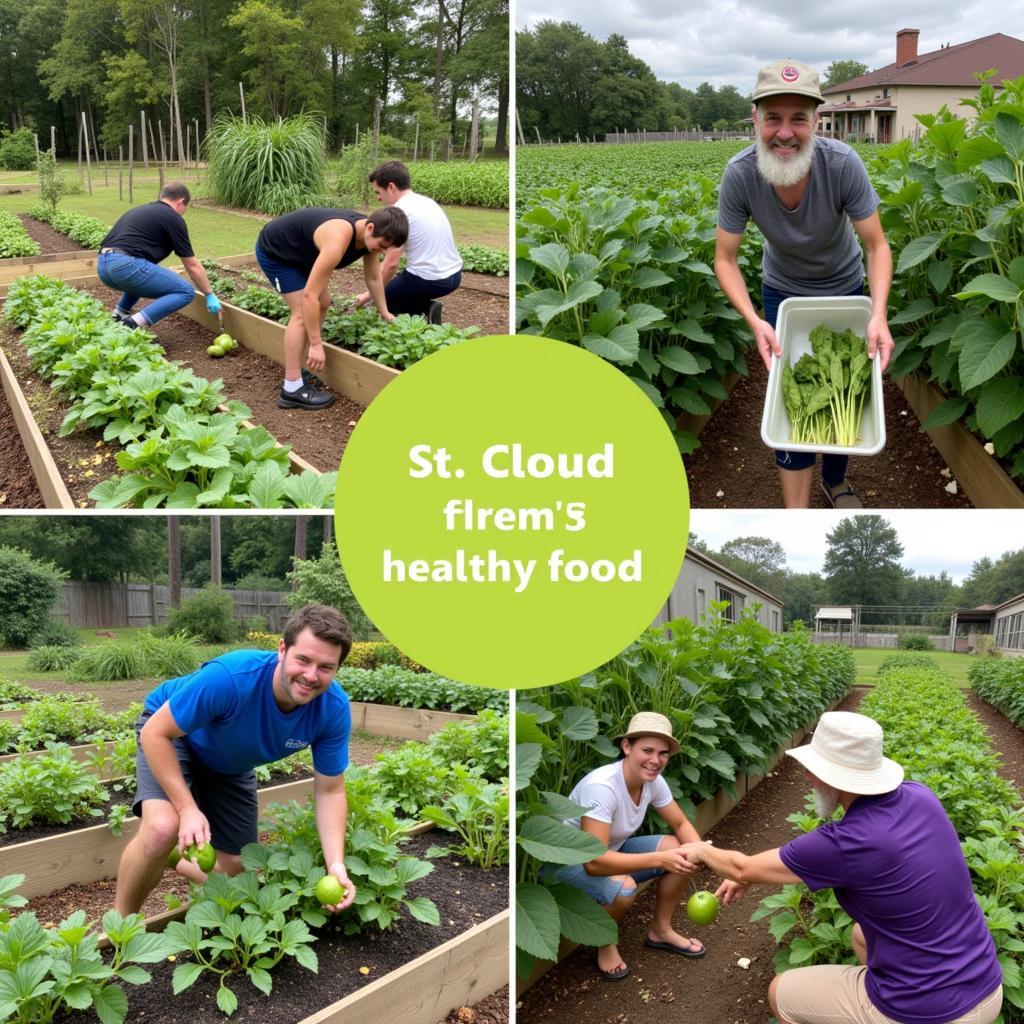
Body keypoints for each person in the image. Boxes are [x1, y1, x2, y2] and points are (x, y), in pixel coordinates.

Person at [681, 712, 1003, 1024]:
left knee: (780, 993)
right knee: (861, 935)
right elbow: (754, 870)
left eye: (813, 769)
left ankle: (886, 1014)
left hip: (927, 1010)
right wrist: (753, 874)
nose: (806, 777)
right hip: (986, 985)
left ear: (835, 776)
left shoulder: (846, 841)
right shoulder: (921, 797)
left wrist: (700, 850)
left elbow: (740, 868)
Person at [714, 59, 895, 510]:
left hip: (845, 288)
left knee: (846, 389)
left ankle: (835, 481)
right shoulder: (740, 175)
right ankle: (797, 511)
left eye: (799, 118)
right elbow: (725, 259)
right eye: (773, 117)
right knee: (788, 392)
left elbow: (876, 246)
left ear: (817, 121)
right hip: (783, 293)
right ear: (756, 119)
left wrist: (877, 314)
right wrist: (755, 320)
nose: (785, 132)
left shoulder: (842, 165)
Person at [114, 603, 356, 917]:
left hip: (229, 761)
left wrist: (335, 864)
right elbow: (154, 733)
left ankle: (173, 854)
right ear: (282, 649)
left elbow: (330, 790)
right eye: (303, 660)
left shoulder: (332, 710)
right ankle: (119, 926)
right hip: (175, 735)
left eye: (325, 667)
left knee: (237, 870)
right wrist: (188, 809)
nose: (311, 675)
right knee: (163, 827)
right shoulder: (231, 677)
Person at [546, 712, 704, 981]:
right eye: (647, 750)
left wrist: (702, 851)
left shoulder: (652, 781)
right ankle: (604, 942)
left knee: (683, 849)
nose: (655, 760)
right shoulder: (602, 787)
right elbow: (594, 862)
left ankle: (661, 930)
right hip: (565, 863)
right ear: (627, 747)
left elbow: (680, 824)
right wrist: (660, 859)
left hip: (610, 852)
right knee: (624, 887)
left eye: (663, 753)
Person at [255, 206, 408, 410]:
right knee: (302, 311)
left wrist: (384, 312)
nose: (383, 252)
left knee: (324, 303)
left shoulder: (369, 237)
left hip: (302, 253)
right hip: (278, 253)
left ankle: (300, 367)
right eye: (382, 246)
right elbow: (309, 297)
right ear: (370, 228)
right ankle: (291, 388)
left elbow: (373, 278)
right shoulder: (338, 238)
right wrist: (317, 344)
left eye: (387, 248)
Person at [97, 181, 221, 330]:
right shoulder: (173, 218)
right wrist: (209, 294)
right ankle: (132, 324)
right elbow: (192, 265)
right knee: (185, 291)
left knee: (141, 276)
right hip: (125, 266)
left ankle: (119, 315)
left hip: (104, 266)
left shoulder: (142, 210)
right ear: (181, 202)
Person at [355, 160, 463, 324]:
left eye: (378, 192)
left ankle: (421, 315)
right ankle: (424, 307)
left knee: (385, 300)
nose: (378, 198)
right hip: (454, 276)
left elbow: (391, 264)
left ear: (391, 187)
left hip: (430, 279)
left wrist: (369, 295)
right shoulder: (425, 201)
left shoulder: (400, 213)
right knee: (400, 289)